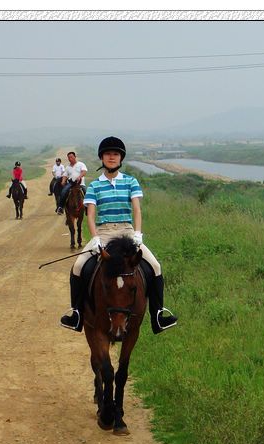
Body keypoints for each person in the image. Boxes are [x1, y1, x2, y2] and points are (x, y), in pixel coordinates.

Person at [59, 136, 178, 334]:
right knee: (78, 267)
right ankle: (77, 314)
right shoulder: (96, 185)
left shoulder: (131, 181)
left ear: (121, 158)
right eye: (108, 154)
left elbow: (137, 210)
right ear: (102, 158)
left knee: (155, 266)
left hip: (127, 231)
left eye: (115, 154)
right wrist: (95, 237)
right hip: (104, 232)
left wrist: (138, 234)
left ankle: (158, 315)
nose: (111, 157)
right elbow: (90, 214)